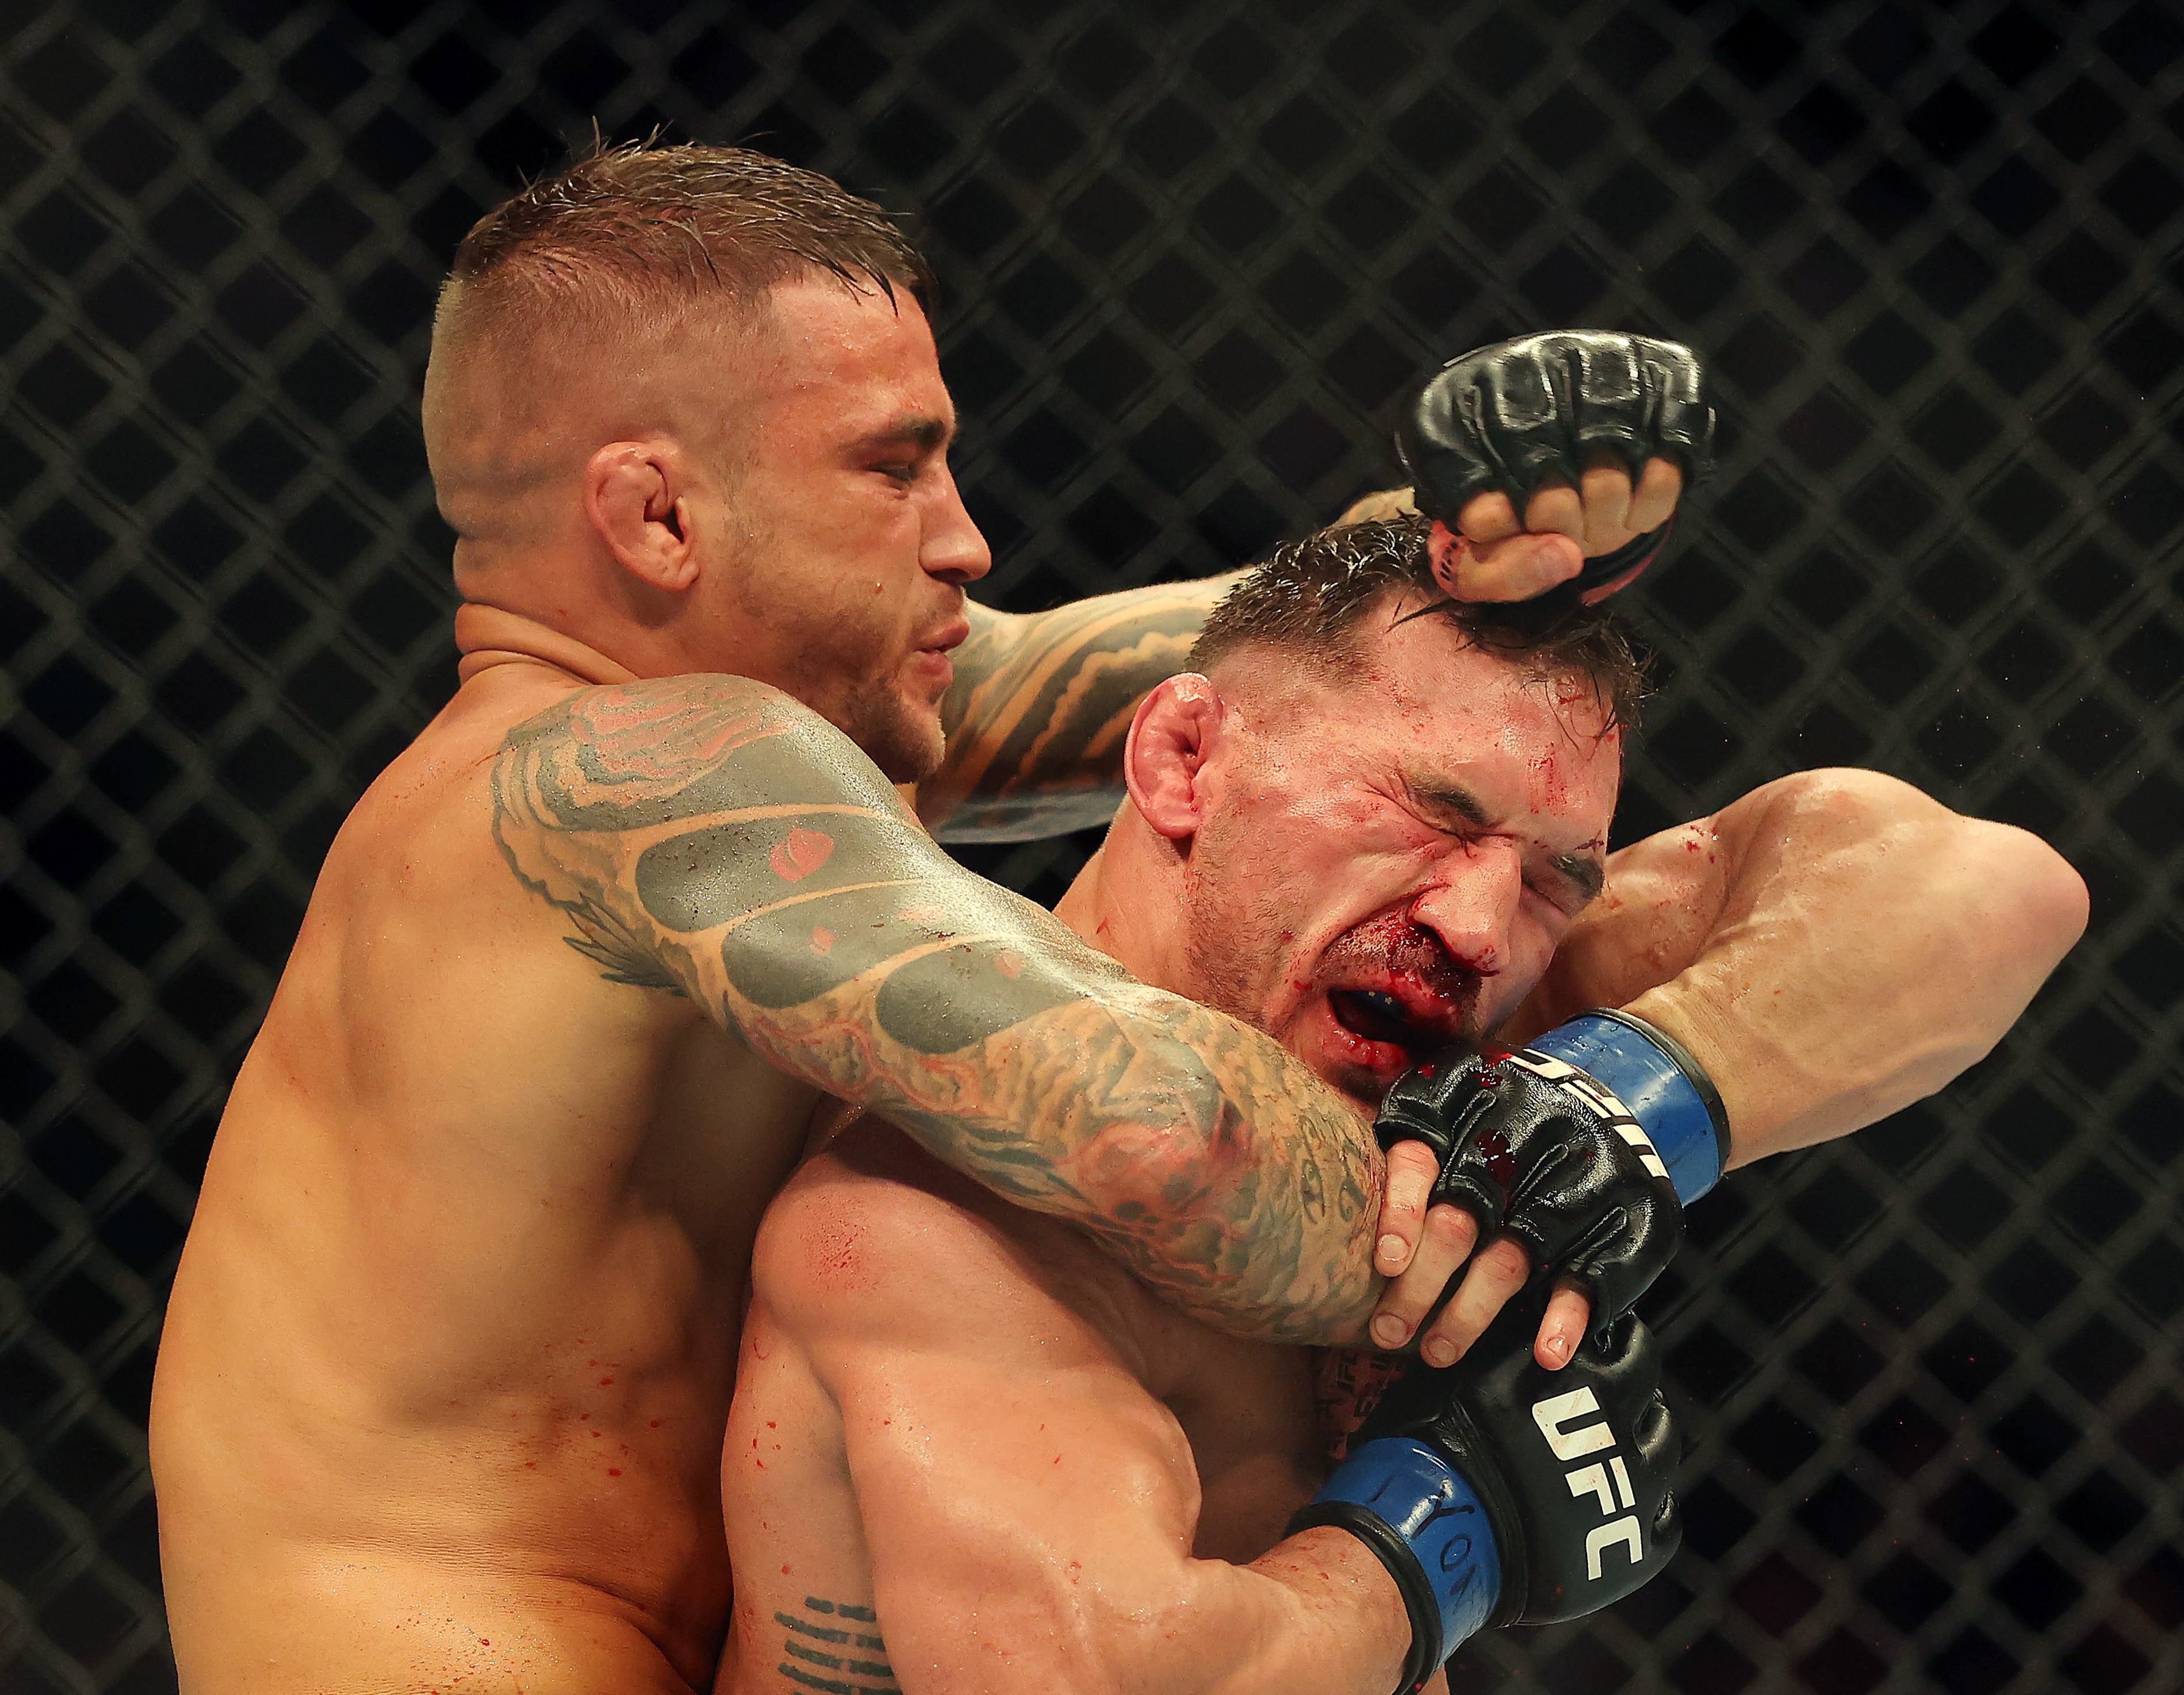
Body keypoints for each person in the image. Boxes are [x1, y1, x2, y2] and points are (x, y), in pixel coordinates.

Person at [147, 143, 1707, 1692]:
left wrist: (1473, 552)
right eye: (893, 467)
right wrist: (1534, 1235)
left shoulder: (776, 758)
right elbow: (1166, 1141)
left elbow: (1265, 678)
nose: (963, 536)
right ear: (656, 516)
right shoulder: (621, 778)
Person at [716, 515, 2089, 1695]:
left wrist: (1627, 1099)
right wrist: (1442, 1534)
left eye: (1557, 876)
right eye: (1431, 811)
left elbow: (1986, 888)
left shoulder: (1449, 1048)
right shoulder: (939, 1220)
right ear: (1185, 761)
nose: (1486, 925)